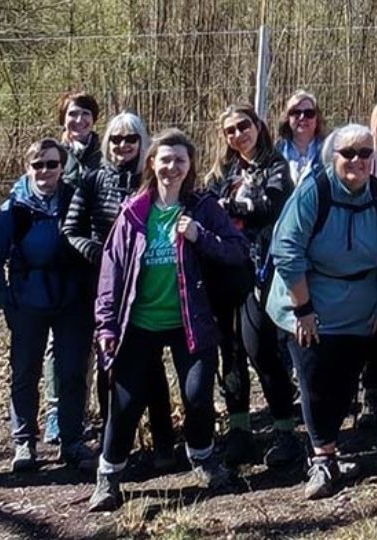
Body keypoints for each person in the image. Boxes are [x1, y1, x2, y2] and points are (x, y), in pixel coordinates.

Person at [88, 129, 251, 512]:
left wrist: (200, 236)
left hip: (191, 321)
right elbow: (111, 273)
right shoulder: (134, 213)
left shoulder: (204, 208)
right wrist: (107, 325)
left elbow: (238, 252)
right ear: (151, 163)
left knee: (197, 397)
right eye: (165, 159)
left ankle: (202, 457)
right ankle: (109, 476)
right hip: (138, 323)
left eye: (180, 160)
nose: (172, 167)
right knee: (124, 404)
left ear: (190, 165)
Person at [266, 124, 377, 500]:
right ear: (333, 156)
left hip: (360, 304)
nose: (357, 161)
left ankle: (329, 448)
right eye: (348, 153)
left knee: (345, 380)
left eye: (364, 153)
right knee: (314, 378)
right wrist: (304, 308)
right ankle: (322, 458)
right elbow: (287, 250)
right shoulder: (314, 192)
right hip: (307, 300)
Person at [63, 111, 178, 470]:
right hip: (105, 283)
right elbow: (71, 229)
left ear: (142, 142)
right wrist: (104, 256)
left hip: (148, 285)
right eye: (116, 139)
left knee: (152, 369)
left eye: (130, 139)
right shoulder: (93, 180)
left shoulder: (152, 183)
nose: (123, 146)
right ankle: (113, 447)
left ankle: (164, 445)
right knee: (108, 364)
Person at [0, 138, 97, 472]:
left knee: (73, 373)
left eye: (52, 164)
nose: (45, 170)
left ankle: (72, 440)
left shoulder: (76, 200)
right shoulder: (14, 208)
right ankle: (24, 442)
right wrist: (6, 300)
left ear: (62, 167)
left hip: (73, 301)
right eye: (38, 164)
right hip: (28, 302)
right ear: (27, 167)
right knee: (25, 373)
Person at [202, 105, 304, 469]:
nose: (238, 134)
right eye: (229, 130)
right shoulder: (222, 172)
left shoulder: (277, 168)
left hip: (261, 271)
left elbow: (267, 206)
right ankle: (240, 431)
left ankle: (285, 432)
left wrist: (228, 206)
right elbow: (205, 207)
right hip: (223, 271)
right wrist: (230, 206)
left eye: (243, 125)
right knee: (229, 354)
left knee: (262, 351)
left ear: (258, 126)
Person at [42, 90, 103, 446]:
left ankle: (80, 411)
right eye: (72, 115)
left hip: (95, 257)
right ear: (62, 118)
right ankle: (55, 412)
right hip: (59, 258)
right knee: (57, 341)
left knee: (92, 340)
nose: (78, 121)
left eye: (85, 115)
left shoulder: (105, 152)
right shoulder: (52, 155)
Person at [277, 90, 328, 183]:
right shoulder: (276, 151)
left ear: (317, 118)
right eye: (296, 113)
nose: (302, 117)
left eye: (309, 113)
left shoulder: (328, 152)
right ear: (287, 118)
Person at [58, 90, 104, 188]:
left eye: (85, 113)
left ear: (94, 119)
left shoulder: (106, 155)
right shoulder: (54, 155)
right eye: (73, 114)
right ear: (63, 120)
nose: (79, 120)